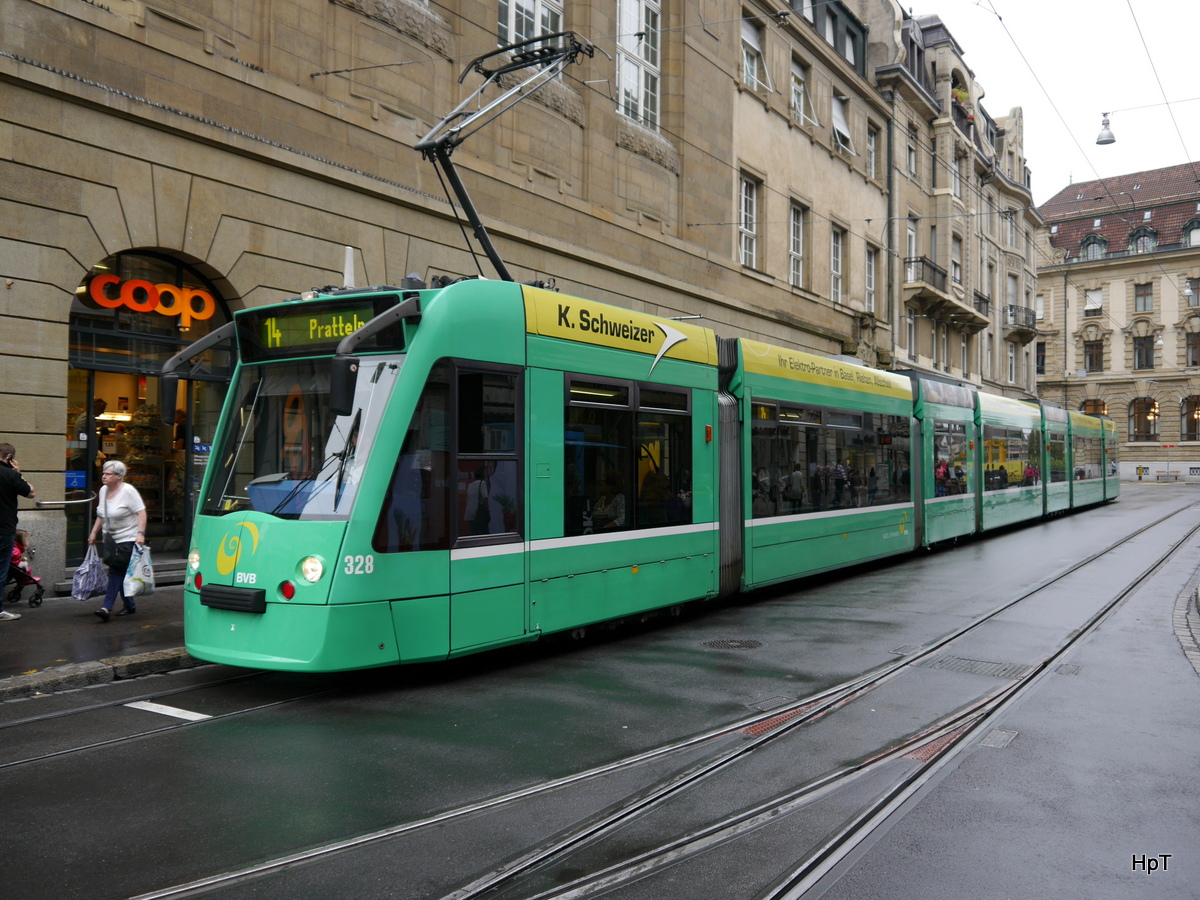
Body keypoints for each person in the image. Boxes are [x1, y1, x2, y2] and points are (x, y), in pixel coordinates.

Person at [87, 460, 146, 621]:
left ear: (119, 477)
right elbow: (102, 513)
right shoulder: (103, 490)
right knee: (118, 571)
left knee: (116, 571)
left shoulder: (128, 491)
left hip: (128, 538)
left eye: (108, 474)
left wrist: (140, 534)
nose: (103, 476)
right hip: (110, 539)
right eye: (103, 473)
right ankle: (129, 604)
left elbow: (141, 512)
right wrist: (94, 532)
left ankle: (106, 607)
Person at [0, 442, 35, 622]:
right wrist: (18, 472)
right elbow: (31, 492)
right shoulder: (10, 475)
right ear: (9, 458)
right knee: (1, 569)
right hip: (3, 529)